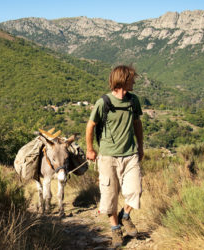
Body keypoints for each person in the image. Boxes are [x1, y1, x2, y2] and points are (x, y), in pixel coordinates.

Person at [86, 64, 144, 247]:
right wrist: (90, 149)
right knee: (109, 196)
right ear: (123, 80)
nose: (134, 81)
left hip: (130, 154)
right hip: (108, 157)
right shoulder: (103, 102)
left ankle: (125, 215)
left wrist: (140, 146)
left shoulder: (133, 101)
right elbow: (90, 126)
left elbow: (137, 124)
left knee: (135, 190)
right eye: (132, 78)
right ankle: (115, 229)